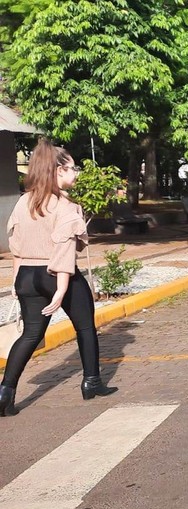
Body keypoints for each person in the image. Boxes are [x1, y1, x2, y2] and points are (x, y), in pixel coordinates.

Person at [1, 139, 117, 416]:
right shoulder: (65, 206)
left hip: (26, 274)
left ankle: (5, 391)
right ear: (58, 170)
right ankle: (92, 382)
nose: (76, 173)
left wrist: (16, 282)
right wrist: (61, 288)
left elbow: (16, 247)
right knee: (85, 327)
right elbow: (64, 251)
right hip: (55, 273)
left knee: (31, 334)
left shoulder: (23, 202)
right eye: (72, 168)